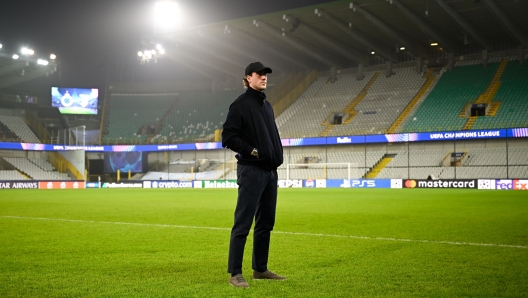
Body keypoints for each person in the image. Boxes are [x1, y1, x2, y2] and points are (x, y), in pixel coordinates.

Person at [222, 62, 285, 288]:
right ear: (248, 78)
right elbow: (228, 137)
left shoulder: (266, 106)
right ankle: (235, 273)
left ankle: (260, 268)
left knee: (266, 222)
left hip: (270, 172)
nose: (264, 77)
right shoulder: (240, 105)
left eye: (266, 74)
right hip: (252, 171)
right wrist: (253, 151)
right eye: (260, 74)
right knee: (243, 222)